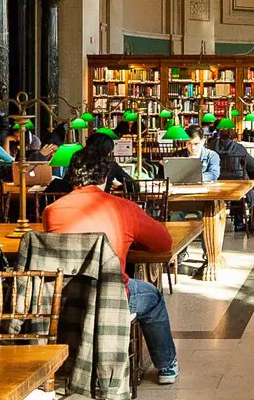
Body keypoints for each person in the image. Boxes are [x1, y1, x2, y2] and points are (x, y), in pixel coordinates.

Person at [40, 162, 179, 384]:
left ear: (72, 177)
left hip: (64, 299)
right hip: (110, 298)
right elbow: (163, 243)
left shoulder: (51, 211)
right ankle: (166, 367)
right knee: (152, 297)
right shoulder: (122, 207)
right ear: (104, 179)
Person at [211, 124, 254, 230]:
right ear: (234, 139)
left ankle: (232, 220)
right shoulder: (239, 148)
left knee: (235, 187)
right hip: (238, 182)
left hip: (216, 182)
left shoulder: (211, 146)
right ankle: (249, 221)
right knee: (251, 190)